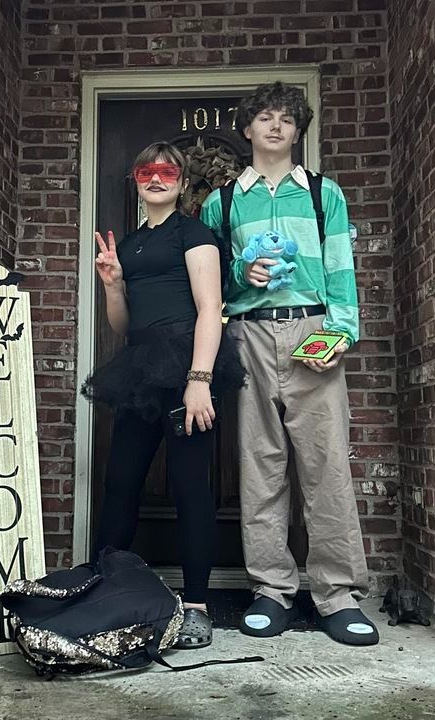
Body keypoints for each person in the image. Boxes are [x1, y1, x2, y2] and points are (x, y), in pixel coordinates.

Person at [200, 82, 379, 646]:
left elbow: (340, 268)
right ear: (247, 129)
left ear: (298, 130)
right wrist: (239, 278)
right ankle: (270, 589)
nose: (276, 126)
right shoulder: (223, 201)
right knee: (262, 464)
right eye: (265, 118)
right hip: (249, 334)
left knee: (325, 465)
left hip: (313, 332)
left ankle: (336, 594)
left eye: (286, 119)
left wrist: (341, 330)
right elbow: (210, 282)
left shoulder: (324, 193)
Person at [82, 142, 245, 649]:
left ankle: (196, 605)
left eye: (167, 171)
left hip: (186, 367)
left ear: (180, 180)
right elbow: (122, 325)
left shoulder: (195, 234)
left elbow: (209, 308)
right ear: (136, 178)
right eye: (147, 170)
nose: (157, 179)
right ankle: (104, 586)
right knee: (122, 481)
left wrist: (198, 381)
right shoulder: (127, 245)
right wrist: (112, 284)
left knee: (191, 484)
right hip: (141, 367)